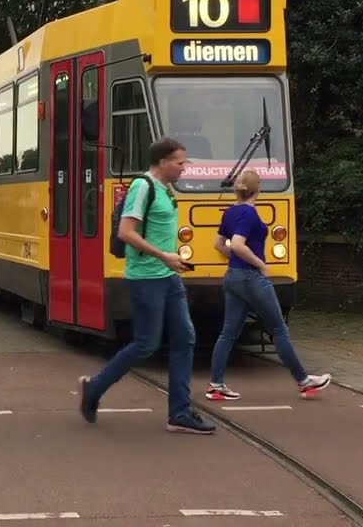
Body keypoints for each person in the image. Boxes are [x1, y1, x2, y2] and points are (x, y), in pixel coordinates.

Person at [77, 138, 215, 435]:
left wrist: (171, 260)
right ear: (163, 162)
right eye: (179, 162)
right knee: (146, 344)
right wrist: (163, 256)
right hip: (146, 278)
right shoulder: (143, 187)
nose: (183, 168)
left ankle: (179, 413)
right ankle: (94, 387)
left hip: (168, 277)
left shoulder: (166, 189)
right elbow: (126, 232)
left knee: (185, 338)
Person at [206, 170, 331, 400]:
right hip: (251, 277)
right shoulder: (249, 214)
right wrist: (259, 263)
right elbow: (238, 244)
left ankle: (216, 384)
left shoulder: (230, 212)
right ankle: (304, 381)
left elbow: (219, 244)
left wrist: (236, 259)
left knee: (228, 332)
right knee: (279, 330)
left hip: (232, 276)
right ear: (258, 189)